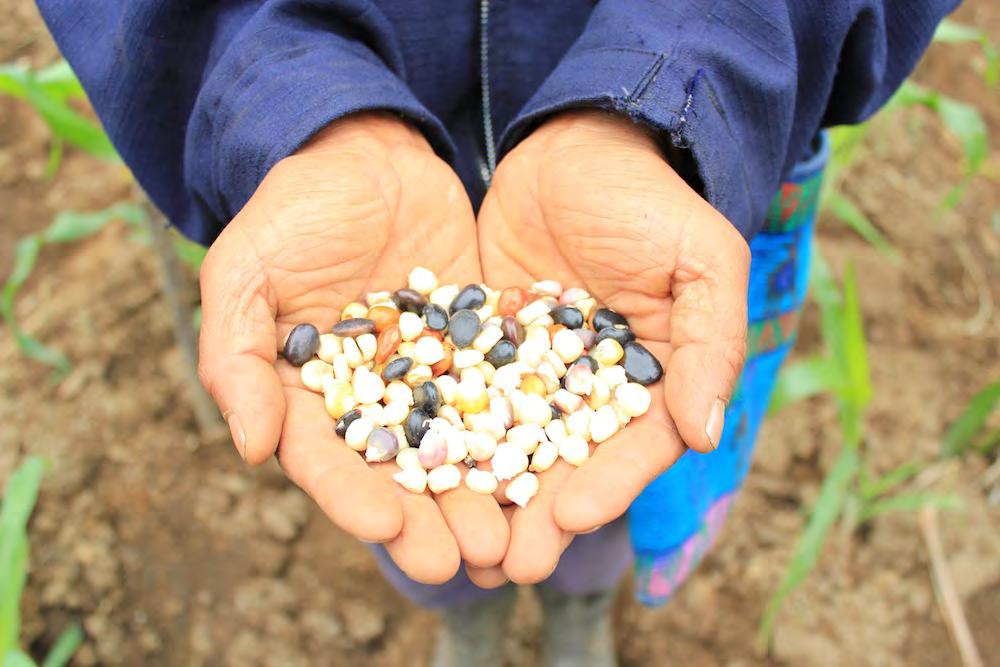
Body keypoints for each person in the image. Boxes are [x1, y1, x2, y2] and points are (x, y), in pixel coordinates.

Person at [37, 1, 959, 664]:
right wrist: (283, 100)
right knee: (406, 496)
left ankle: (583, 601)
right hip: (356, 191)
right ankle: (464, 618)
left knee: (626, 458)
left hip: (678, 165)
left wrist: (679, 75)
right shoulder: (379, 324)